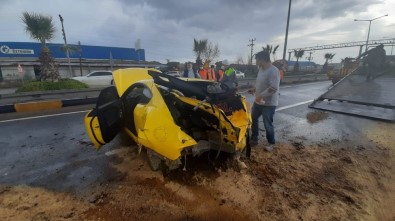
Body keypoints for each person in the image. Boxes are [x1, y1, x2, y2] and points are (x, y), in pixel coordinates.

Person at [248, 50, 280, 151]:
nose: (256, 62)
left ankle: (271, 143)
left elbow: (273, 88)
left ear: (262, 59)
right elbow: (260, 83)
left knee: (267, 124)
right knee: (253, 119)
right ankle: (254, 139)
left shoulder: (274, 71)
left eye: (256, 59)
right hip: (258, 102)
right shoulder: (261, 69)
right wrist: (254, 89)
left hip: (269, 104)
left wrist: (261, 96)